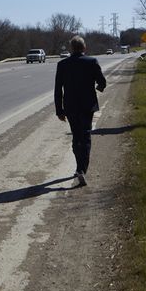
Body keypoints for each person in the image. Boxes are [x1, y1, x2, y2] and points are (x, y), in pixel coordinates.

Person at [54, 35, 106, 186]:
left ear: (71, 48)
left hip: (70, 107)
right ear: (84, 48)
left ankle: (79, 168)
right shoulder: (91, 62)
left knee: (76, 136)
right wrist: (99, 88)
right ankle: (82, 169)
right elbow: (102, 82)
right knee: (86, 136)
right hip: (87, 106)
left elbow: (58, 90)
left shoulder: (62, 64)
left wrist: (59, 111)